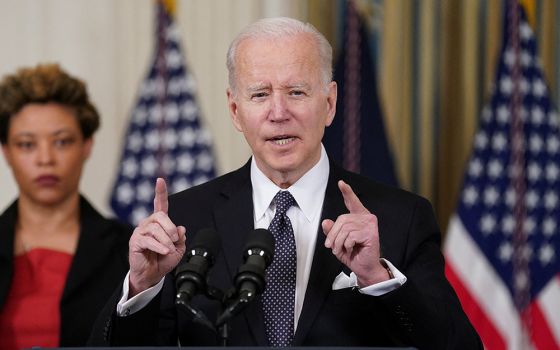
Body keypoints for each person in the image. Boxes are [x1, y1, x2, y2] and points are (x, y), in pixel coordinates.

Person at [89, 17, 482, 348]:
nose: (279, 113)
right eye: (260, 95)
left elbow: (459, 345)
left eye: (297, 92)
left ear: (329, 104)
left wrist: (377, 278)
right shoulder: (184, 221)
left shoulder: (399, 217)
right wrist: (141, 286)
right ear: (235, 110)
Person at [0, 64, 132, 349]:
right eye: (26, 144)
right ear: (6, 151)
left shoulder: (128, 252)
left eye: (61, 142)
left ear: (86, 146)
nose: (45, 158)